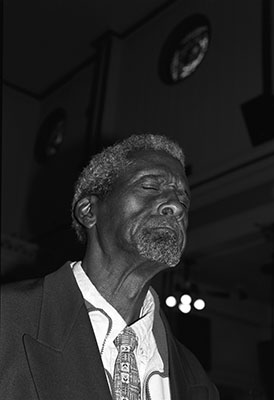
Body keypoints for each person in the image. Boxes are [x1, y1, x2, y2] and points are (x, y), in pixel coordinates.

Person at [0, 134, 219, 400]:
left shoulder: (196, 380)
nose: (175, 206)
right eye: (150, 187)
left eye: (184, 200)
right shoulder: (8, 319)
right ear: (89, 211)